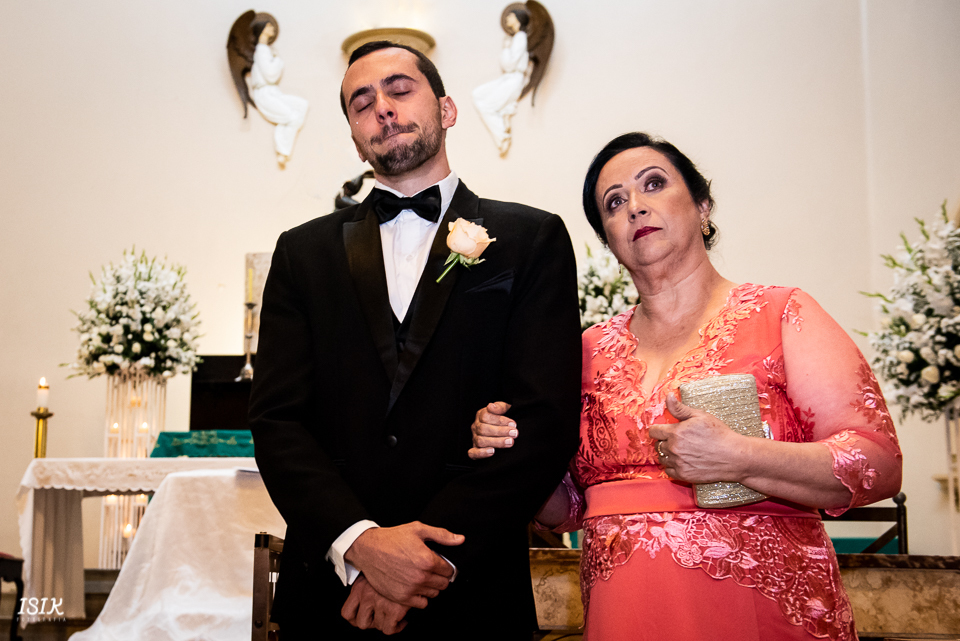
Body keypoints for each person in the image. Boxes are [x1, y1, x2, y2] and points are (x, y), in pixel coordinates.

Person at [469, 132, 903, 640]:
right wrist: (514, 450)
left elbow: (878, 463)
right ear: (608, 238)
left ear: (702, 206)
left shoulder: (781, 313)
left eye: (653, 183)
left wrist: (743, 459)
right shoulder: (585, 351)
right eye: (614, 203)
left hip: (757, 608)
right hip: (625, 610)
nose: (634, 206)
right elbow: (567, 508)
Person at [248, 41, 582, 639]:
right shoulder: (302, 253)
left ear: (447, 109)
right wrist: (362, 545)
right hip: (332, 595)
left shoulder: (531, 239)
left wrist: (426, 560)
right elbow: (277, 422)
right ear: (354, 133)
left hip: (471, 587)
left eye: (400, 90)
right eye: (361, 103)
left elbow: (544, 418)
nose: (383, 108)